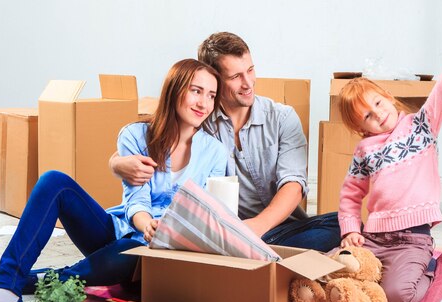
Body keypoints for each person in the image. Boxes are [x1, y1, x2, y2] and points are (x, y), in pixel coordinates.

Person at [0, 59, 227, 302]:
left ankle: (52, 278)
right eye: (196, 90)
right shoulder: (135, 135)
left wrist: (165, 234)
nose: (204, 103)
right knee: (54, 181)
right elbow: (136, 201)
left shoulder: (215, 152)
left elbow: (206, 213)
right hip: (122, 231)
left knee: (129, 252)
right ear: (175, 89)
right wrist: (147, 226)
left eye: (211, 95)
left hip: (160, 255)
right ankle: (6, 292)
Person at [111, 33, 341, 252]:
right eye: (235, 77)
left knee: (340, 223)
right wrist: (117, 162)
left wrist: (257, 227)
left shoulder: (282, 118)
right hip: (223, 232)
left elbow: (294, 183)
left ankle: (258, 253)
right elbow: (156, 128)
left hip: (276, 229)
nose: (248, 83)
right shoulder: (200, 116)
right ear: (215, 80)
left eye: (250, 70)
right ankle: (259, 259)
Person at [337, 15, 442, 302]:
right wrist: (350, 230)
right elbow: (350, 196)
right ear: (360, 129)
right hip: (373, 239)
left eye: (377, 104)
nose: (377, 115)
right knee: (333, 270)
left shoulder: (422, 125)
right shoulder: (365, 149)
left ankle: (435, 270)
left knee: (397, 298)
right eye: (367, 117)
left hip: (412, 239)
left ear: (388, 96)